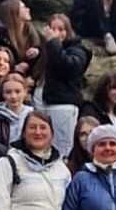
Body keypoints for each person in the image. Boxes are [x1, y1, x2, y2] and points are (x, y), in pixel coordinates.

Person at [39, 13, 91, 159]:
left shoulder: (77, 49)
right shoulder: (48, 49)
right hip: (46, 104)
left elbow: (69, 66)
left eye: (61, 29)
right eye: (53, 29)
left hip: (64, 106)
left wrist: (53, 42)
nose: (56, 33)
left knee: (62, 152)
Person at [0, 0, 41, 79]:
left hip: (29, 78)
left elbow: (42, 53)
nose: (28, 9)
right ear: (14, 12)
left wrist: (36, 52)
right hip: (7, 78)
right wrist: (13, 68)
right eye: (23, 7)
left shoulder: (32, 32)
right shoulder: (0, 36)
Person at [0, 72, 33, 146]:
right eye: (8, 92)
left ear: (25, 92)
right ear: (3, 94)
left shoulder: (32, 116)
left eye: (17, 91)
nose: (13, 96)